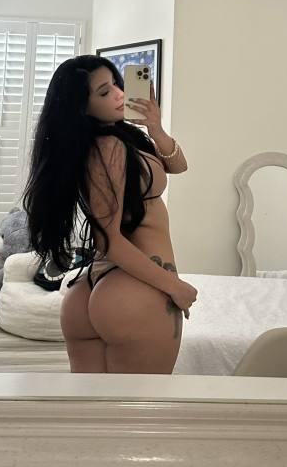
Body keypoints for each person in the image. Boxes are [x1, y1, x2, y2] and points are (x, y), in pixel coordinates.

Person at [22, 54, 197, 374]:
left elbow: (178, 166)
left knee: (90, 402)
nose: (118, 94)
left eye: (116, 83)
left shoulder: (120, 139)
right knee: (140, 403)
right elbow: (109, 240)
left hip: (92, 291)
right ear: (82, 107)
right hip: (133, 291)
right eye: (104, 92)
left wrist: (155, 127)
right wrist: (174, 286)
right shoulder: (108, 149)